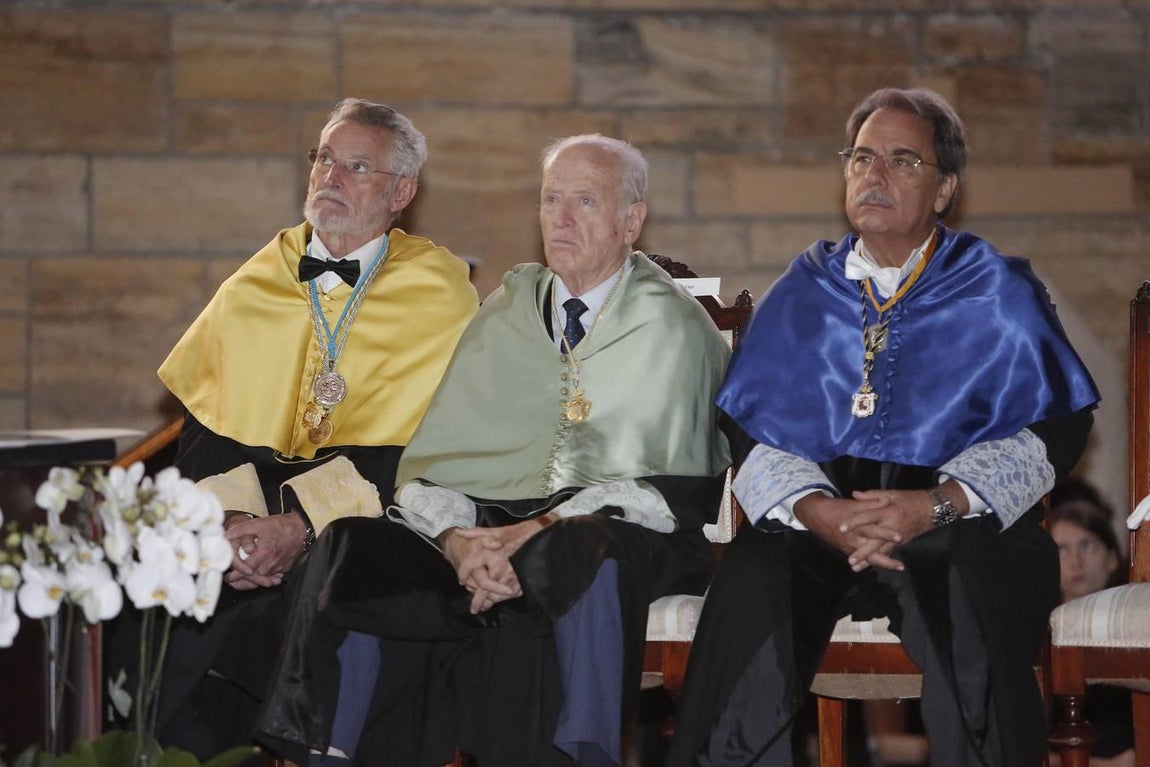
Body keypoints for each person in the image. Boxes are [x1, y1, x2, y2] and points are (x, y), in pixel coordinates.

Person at [254, 134, 732, 767]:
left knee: (580, 548)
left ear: (631, 221)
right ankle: (329, 748)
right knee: (353, 544)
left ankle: (580, 756)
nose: (560, 219)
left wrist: (533, 535)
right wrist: (456, 541)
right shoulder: (506, 311)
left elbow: (668, 490)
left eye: (584, 201)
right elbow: (439, 465)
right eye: (550, 199)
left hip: (618, 533)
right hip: (485, 530)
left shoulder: (672, 324)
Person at [667, 87, 1101, 767]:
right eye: (862, 157)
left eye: (902, 161)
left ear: (944, 188)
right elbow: (750, 427)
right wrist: (817, 511)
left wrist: (933, 505)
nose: (875, 174)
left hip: (958, 520)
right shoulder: (806, 288)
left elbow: (1058, 428)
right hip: (821, 516)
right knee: (752, 587)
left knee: (963, 594)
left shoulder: (995, 288)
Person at [146, 97, 479, 758]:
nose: (332, 176)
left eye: (358, 166)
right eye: (325, 158)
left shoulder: (439, 291)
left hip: (365, 524)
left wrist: (296, 526)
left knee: (332, 575)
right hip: (245, 523)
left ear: (401, 192)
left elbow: (431, 454)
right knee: (152, 573)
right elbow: (205, 436)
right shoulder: (254, 283)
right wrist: (231, 530)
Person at [1048, 479, 1133, 767]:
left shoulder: (1137, 630)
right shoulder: (1035, 636)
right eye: (1062, 550)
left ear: (1112, 558)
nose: (1076, 561)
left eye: (1087, 546)